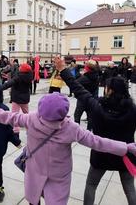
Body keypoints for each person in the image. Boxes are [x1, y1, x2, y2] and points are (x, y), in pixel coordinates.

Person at [0, 86, 136, 205]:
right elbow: (97, 142)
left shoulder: (32, 118)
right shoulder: (71, 128)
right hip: (59, 175)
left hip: (35, 170)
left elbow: (7, 116)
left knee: (33, 200)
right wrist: (125, 147)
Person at [54, 57, 136, 205]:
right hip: (126, 154)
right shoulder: (133, 109)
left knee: (91, 185)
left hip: (102, 154)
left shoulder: (98, 106)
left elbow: (78, 89)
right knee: (130, 188)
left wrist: (63, 70)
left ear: (109, 90)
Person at [2, 63, 33, 138]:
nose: (19, 68)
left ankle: (16, 132)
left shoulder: (19, 77)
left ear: (22, 70)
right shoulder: (29, 76)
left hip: (16, 98)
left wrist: (0, 87)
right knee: (26, 114)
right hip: (25, 98)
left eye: (20, 67)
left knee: (14, 115)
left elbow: (10, 83)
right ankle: (30, 129)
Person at [73, 60, 99, 130]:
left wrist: (79, 74)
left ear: (87, 68)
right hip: (91, 98)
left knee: (77, 115)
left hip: (82, 99)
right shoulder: (96, 76)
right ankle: (88, 132)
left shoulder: (85, 78)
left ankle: (77, 131)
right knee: (90, 117)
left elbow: (75, 83)